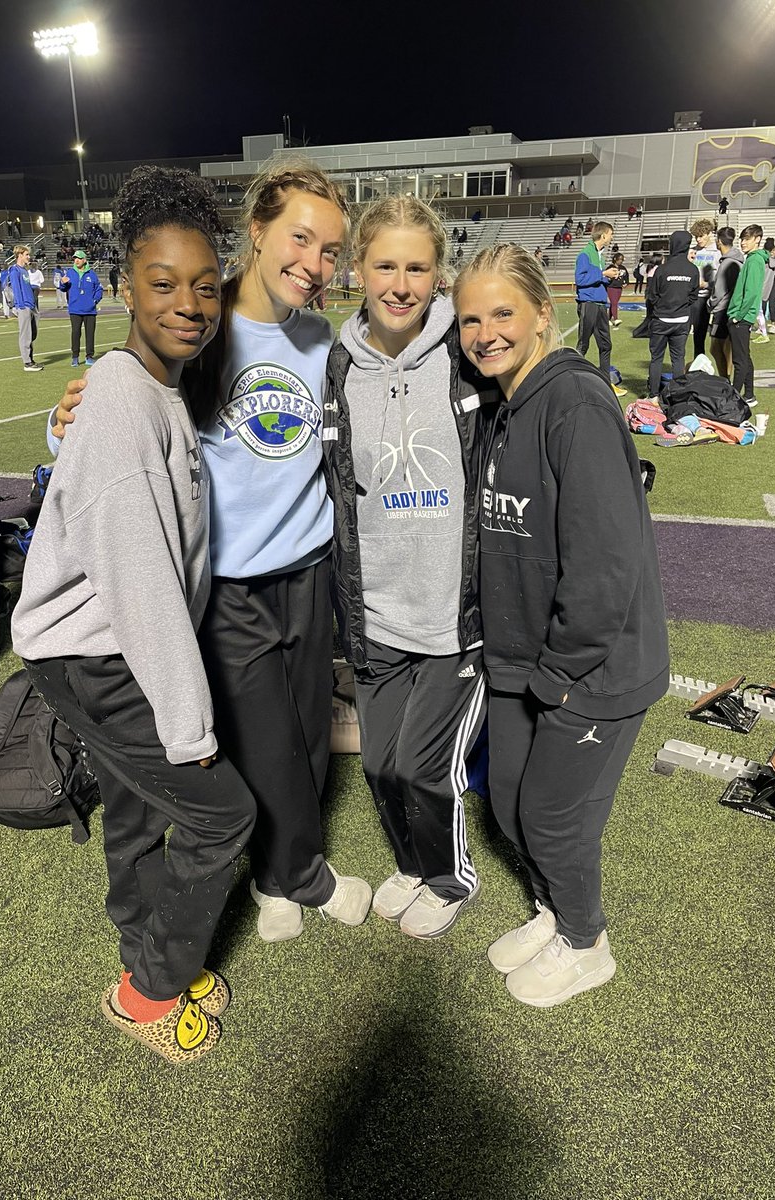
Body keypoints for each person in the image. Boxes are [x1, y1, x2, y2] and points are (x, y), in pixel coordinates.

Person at [52, 160, 372, 944]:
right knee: (257, 741)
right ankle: (290, 877)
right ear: (256, 232)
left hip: (309, 567)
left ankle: (284, 868)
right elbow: (113, 422)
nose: (315, 262)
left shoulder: (319, 336)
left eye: (332, 250)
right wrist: (59, 425)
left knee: (305, 732)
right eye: (301, 238)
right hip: (227, 584)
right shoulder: (198, 319)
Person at [13, 166, 256, 1065]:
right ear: (125, 287)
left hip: (93, 647)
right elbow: (138, 575)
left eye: (203, 286)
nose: (188, 304)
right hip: (95, 653)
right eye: (163, 284)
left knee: (131, 803)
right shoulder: (123, 396)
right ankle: (150, 990)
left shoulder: (147, 383)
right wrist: (190, 726)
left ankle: (136, 938)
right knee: (220, 814)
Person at [453, 244, 669, 1007]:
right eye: (470, 318)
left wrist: (561, 673)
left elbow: (606, 569)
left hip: (591, 669)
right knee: (509, 802)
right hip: (520, 661)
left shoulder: (573, 404)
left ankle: (587, 941)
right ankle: (552, 911)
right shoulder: (501, 404)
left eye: (503, 312)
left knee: (550, 818)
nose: (485, 332)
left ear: (544, 313)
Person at [322, 197, 487, 938]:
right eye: (384, 264)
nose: (399, 282)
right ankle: (414, 863)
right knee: (380, 765)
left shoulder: (467, 352)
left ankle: (450, 879)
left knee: (425, 768)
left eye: (417, 266)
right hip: (377, 613)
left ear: (437, 273)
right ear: (358, 268)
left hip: (452, 615)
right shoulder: (335, 365)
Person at [644, 231, 698, 400]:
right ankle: (677, 396)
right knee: (678, 360)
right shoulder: (693, 269)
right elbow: (693, 296)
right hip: (681, 321)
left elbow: (651, 295)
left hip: (661, 320)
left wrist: (663, 305)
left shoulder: (662, 269)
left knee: (656, 359)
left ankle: (653, 396)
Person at [575, 221, 624, 394]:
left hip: (601, 305)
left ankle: (605, 383)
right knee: (583, 345)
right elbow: (580, 280)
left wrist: (610, 277)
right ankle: (573, 382)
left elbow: (595, 279)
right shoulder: (585, 254)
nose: (612, 237)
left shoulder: (600, 255)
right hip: (588, 304)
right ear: (603, 235)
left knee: (606, 345)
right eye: (611, 234)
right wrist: (603, 273)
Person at [727, 224, 767, 408]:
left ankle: (733, 400)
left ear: (757, 239)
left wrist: (737, 316)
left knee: (739, 361)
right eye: (742, 239)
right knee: (745, 358)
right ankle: (749, 395)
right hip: (742, 316)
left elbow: (751, 293)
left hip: (741, 317)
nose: (743, 242)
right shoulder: (753, 259)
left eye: (747, 239)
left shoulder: (754, 261)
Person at [707, 226, 742, 380]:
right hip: (732, 309)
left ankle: (725, 380)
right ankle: (726, 379)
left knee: (716, 348)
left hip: (722, 310)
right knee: (726, 349)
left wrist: (710, 304)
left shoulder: (727, 263)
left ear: (719, 241)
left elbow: (718, 291)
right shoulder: (739, 261)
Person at [61, 250, 103, 366]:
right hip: (75, 309)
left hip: (90, 310)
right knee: (75, 333)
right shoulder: (70, 273)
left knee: (90, 334)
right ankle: (75, 357)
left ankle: (89, 356)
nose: (76, 260)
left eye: (79, 258)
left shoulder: (92, 274)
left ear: (85, 260)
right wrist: (63, 283)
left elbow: (99, 289)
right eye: (75, 258)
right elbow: (63, 288)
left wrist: (94, 301)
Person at [689, 219, 720, 359]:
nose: (698, 239)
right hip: (693, 297)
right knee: (695, 334)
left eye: (701, 236)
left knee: (711, 336)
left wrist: (707, 284)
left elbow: (722, 278)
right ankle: (697, 363)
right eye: (696, 236)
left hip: (709, 297)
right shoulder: (692, 251)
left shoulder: (717, 252)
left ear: (709, 234)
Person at [8, 246, 42, 371]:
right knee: (25, 334)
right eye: (26, 254)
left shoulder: (24, 271)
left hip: (31, 305)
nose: (28, 257)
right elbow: (16, 289)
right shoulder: (14, 270)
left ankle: (30, 359)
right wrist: (20, 306)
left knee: (32, 334)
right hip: (24, 306)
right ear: (20, 255)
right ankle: (27, 362)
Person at [606, 252, 629, 327]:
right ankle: (615, 319)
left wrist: (626, 283)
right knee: (614, 303)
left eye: (622, 260)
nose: (621, 261)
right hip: (611, 287)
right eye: (620, 259)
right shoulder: (610, 267)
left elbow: (626, 276)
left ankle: (608, 319)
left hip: (619, 288)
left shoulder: (623, 268)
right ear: (615, 259)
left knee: (613, 304)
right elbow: (606, 276)